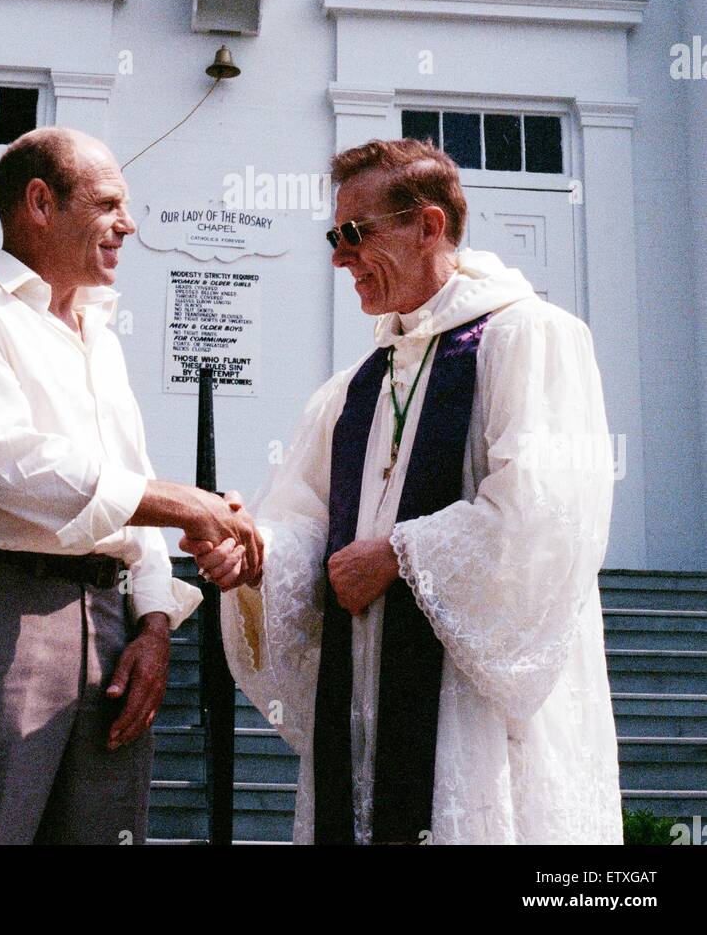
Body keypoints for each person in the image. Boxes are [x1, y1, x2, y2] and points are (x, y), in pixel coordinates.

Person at [182, 138, 623, 845]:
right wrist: (256, 551)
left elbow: (544, 513)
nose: (337, 256)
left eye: (354, 234)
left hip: (466, 710)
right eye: (334, 235)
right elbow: (307, 515)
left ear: (427, 226)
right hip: (368, 689)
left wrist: (398, 554)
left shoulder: (529, 338)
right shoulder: (359, 382)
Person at [0, 126, 262, 845]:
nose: (128, 224)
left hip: (110, 624)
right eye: (108, 204)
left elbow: (129, 486)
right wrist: (184, 501)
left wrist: (154, 624)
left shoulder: (99, 334)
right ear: (39, 202)